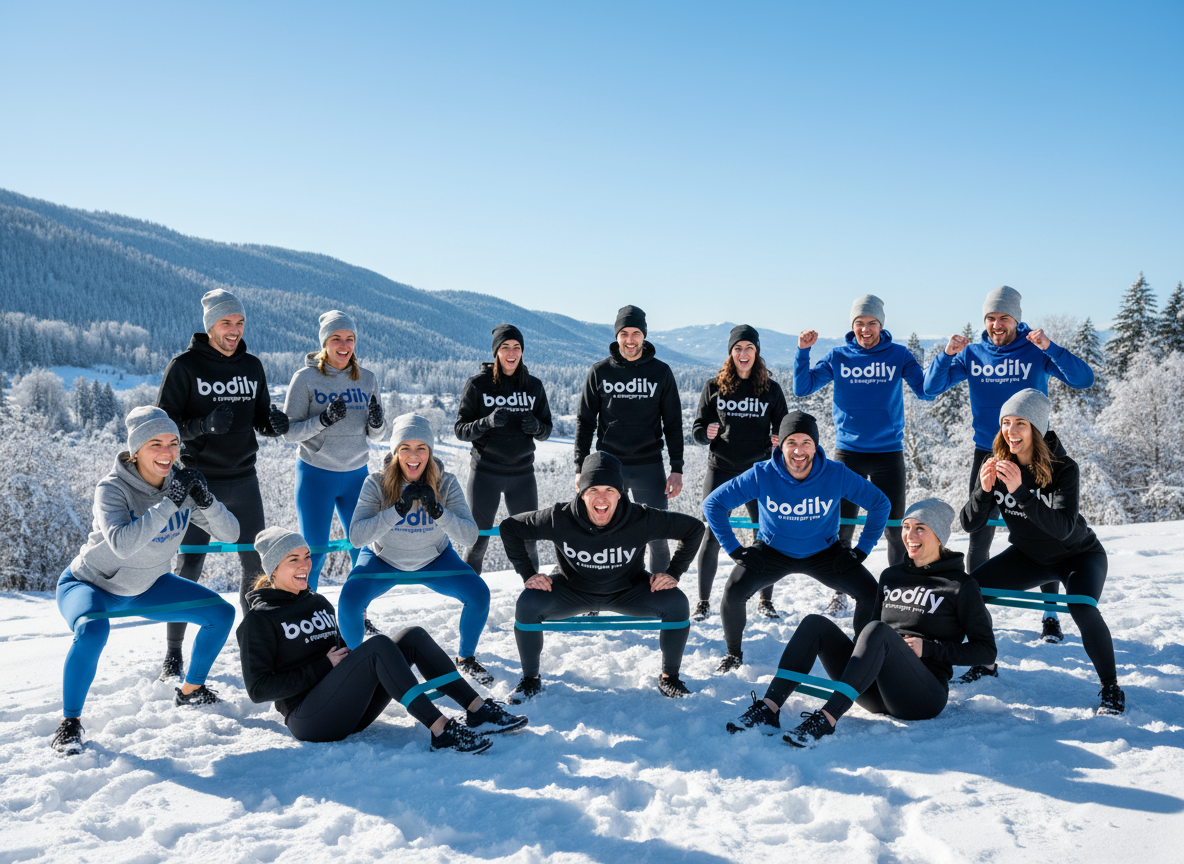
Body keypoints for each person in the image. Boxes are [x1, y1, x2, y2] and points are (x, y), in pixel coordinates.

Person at [725, 499, 996, 747]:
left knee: (878, 631)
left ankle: (827, 719)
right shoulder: (891, 577)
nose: (910, 536)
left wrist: (930, 649)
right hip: (874, 691)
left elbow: (986, 650)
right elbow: (872, 628)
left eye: (920, 528)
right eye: (906, 527)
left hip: (922, 697)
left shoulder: (961, 586)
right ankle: (769, 708)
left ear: (939, 536)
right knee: (815, 624)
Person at [50, 408, 239, 755]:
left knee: (221, 614)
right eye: (156, 444)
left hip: (148, 586)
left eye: (172, 444)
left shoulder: (179, 485)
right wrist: (170, 502)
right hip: (92, 585)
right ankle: (69, 724)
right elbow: (122, 545)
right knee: (93, 631)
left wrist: (207, 502)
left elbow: (231, 532)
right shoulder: (112, 489)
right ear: (136, 450)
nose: (167, 453)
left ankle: (190, 691)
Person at [237, 527, 526, 753]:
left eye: (307, 556)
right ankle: (441, 730)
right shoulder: (260, 619)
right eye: (293, 559)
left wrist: (347, 664)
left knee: (412, 636)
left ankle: (477, 710)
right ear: (273, 568)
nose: (305, 565)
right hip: (309, 720)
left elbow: (340, 654)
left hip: (348, 709)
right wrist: (323, 667)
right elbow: (259, 689)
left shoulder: (318, 603)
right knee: (378, 646)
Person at [923, 286, 1095, 641]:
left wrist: (1051, 348)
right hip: (988, 453)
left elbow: (1084, 379)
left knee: (1044, 533)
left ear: (1015, 318)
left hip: (1035, 455)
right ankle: (977, 621)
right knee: (978, 536)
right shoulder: (973, 353)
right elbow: (928, 388)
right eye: (990, 318)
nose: (996, 324)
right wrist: (945, 355)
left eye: (1004, 318)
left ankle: (1050, 617)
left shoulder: (1034, 349)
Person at [957, 389, 1125, 715]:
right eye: (1006, 422)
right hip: (1028, 556)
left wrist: (1021, 491)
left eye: (1020, 423)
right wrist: (983, 489)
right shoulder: (999, 464)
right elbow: (968, 523)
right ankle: (986, 664)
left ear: (1036, 428)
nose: (1011, 430)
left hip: (1079, 555)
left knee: (1082, 608)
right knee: (968, 592)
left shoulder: (1064, 469)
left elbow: (1062, 527)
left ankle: (1111, 688)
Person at [156, 288, 289, 681]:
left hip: (244, 480)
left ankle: (255, 648)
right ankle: (173, 654)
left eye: (240, 322)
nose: (234, 330)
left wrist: (274, 425)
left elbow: (261, 417)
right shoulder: (184, 366)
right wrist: (201, 426)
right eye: (226, 323)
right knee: (190, 565)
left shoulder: (252, 366)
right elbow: (161, 429)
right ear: (210, 325)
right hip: (199, 482)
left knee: (254, 567)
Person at [499, 452, 704, 700]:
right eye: (593, 489)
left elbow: (694, 529)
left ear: (620, 492)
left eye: (609, 489)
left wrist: (674, 573)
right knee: (528, 603)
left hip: (628, 591)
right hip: (573, 591)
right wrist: (528, 573)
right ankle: (531, 679)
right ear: (582, 493)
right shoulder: (559, 518)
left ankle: (669, 677)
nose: (602, 497)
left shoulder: (641, 518)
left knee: (677, 602)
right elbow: (509, 528)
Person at [704, 411, 890, 672]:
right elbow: (713, 504)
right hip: (772, 551)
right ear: (780, 444)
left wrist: (862, 550)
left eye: (806, 443)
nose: (798, 451)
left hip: (824, 552)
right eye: (791, 442)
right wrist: (735, 550)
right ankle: (733, 654)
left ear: (815, 446)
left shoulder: (836, 474)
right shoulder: (762, 474)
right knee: (733, 592)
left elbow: (880, 504)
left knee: (870, 592)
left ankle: (860, 658)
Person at [794, 295, 932, 621]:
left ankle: (898, 595)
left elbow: (925, 390)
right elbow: (803, 387)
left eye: (871, 323)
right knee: (842, 529)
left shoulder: (898, 354)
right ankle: (840, 592)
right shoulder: (839, 356)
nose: (865, 330)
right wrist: (802, 351)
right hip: (848, 453)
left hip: (888, 453)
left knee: (894, 528)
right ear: (852, 326)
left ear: (881, 326)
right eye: (859, 324)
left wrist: (945, 360)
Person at [339, 413, 494, 685]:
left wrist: (438, 511)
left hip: (434, 558)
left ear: (430, 452)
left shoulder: (446, 482)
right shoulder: (375, 482)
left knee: (479, 594)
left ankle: (465, 658)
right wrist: (395, 511)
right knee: (350, 600)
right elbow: (356, 537)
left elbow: (469, 536)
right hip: (383, 557)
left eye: (421, 447)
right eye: (405, 448)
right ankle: (353, 666)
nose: (414, 455)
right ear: (395, 452)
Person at [575, 305, 684, 573]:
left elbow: (673, 423)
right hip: (610, 467)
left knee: (657, 538)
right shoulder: (600, 372)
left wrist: (677, 468)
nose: (630, 339)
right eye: (624, 333)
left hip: (650, 466)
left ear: (644, 336)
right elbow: (585, 421)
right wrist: (580, 467)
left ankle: (660, 597)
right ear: (617, 336)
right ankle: (599, 596)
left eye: (636, 333)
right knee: (604, 535)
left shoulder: (661, 372)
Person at [282, 311, 386, 592]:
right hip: (317, 475)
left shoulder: (368, 379)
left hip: (357, 476)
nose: (344, 345)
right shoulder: (305, 378)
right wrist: (323, 420)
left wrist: (377, 423)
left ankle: (360, 618)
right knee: (312, 557)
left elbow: (376, 434)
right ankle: (311, 621)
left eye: (349, 339)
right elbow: (289, 432)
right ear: (324, 343)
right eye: (336, 338)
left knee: (363, 553)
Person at [691, 324, 788, 621]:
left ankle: (765, 601)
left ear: (756, 352)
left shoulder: (771, 389)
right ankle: (704, 602)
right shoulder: (714, 386)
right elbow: (697, 429)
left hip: (759, 472)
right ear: (730, 353)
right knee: (712, 533)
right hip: (721, 468)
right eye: (738, 349)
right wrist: (705, 433)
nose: (743, 353)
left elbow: (785, 429)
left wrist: (779, 441)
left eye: (749, 348)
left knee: (767, 533)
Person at [454, 324, 552, 575]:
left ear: (522, 352)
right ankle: (471, 598)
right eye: (505, 347)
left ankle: (535, 596)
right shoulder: (478, 385)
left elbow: (547, 430)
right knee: (477, 540)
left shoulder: (534, 386)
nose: (512, 352)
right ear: (496, 351)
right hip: (485, 474)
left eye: (517, 347)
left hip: (522, 476)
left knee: (529, 541)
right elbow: (461, 430)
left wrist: (536, 427)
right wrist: (485, 423)